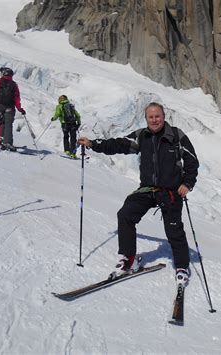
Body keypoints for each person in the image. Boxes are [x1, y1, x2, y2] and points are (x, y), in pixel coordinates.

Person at [77, 102, 199, 286]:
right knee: (125, 214)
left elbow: (192, 161)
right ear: (146, 119)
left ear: (163, 116)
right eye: (151, 117)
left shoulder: (176, 136)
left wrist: (187, 183)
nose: (154, 120)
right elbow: (119, 144)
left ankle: (182, 266)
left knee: (173, 228)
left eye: (157, 116)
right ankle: (129, 258)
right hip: (148, 189)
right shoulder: (142, 136)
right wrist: (94, 144)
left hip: (171, 191)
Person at [0, 67, 26, 151]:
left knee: (1, 122)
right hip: (9, 108)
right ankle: (7, 143)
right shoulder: (14, 84)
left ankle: (1, 140)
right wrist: (20, 109)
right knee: (8, 125)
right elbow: (17, 98)